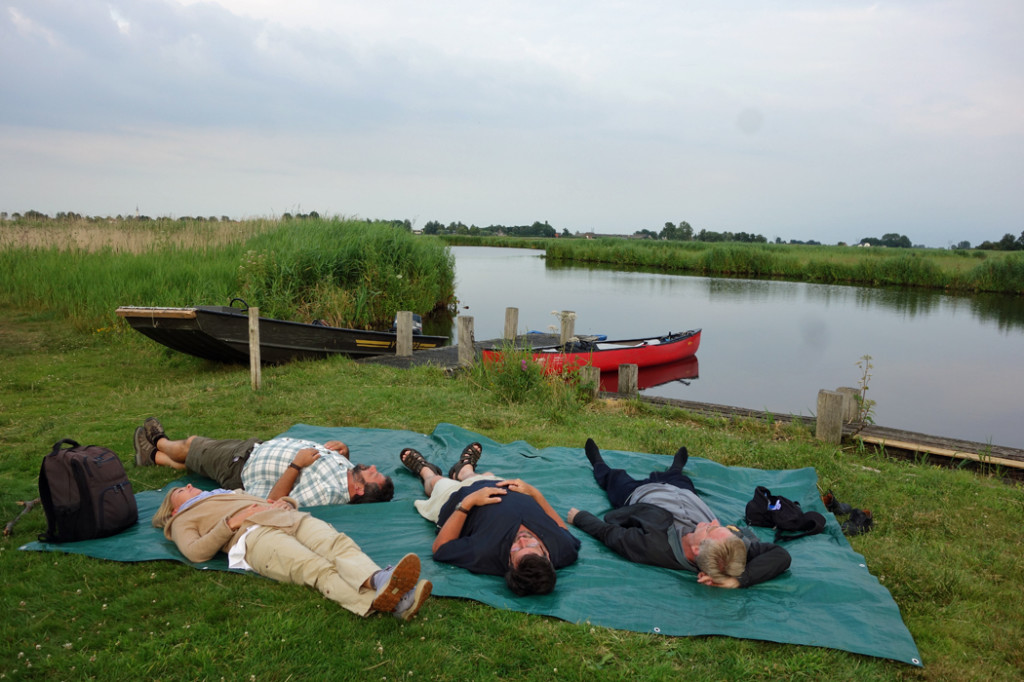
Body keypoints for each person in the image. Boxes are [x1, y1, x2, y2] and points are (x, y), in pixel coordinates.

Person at [151, 484, 430, 620]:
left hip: (284, 518)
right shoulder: (182, 520)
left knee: (337, 545)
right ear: (173, 509)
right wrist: (232, 522)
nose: (188, 485)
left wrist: (283, 502)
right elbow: (196, 552)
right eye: (179, 490)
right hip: (253, 536)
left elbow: (269, 499)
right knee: (316, 568)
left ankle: (383, 583)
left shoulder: (227, 492)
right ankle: (396, 599)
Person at [568, 439, 791, 588]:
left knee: (612, 478)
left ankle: (597, 461)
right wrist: (739, 580)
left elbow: (610, 533)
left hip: (642, 495)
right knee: (678, 477)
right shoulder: (731, 549)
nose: (713, 521)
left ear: (696, 549)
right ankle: (675, 468)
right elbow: (781, 555)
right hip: (685, 495)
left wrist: (578, 517)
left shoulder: (655, 548)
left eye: (711, 529)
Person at [399, 442, 580, 596]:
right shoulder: (563, 550)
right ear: (547, 556)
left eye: (517, 549)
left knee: (438, 483)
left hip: (455, 499)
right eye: (533, 547)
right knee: (475, 477)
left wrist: (468, 502)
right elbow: (561, 528)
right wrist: (535, 494)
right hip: (495, 483)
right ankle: (464, 469)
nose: (523, 540)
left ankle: (424, 470)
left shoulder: (486, 553)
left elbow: (440, 548)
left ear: (509, 563)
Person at [133, 418, 393, 507]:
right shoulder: (349, 474)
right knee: (193, 462)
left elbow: (274, 502)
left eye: (373, 474)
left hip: (240, 465)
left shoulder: (325, 494)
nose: (371, 467)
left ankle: (159, 442)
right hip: (255, 449)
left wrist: (296, 465)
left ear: (359, 490)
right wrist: (343, 453)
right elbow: (343, 462)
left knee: (192, 445)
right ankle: (152, 458)